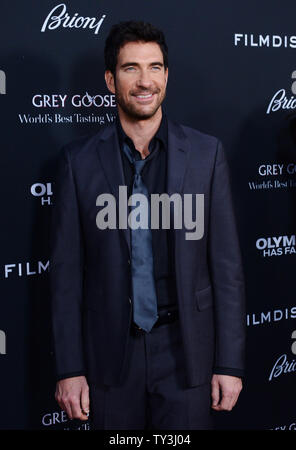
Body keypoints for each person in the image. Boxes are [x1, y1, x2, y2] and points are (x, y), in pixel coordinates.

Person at [50, 20, 246, 430]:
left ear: (167, 76)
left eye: (155, 67)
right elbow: (65, 275)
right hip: (109, 358)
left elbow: (227, 269)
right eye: (130, 68)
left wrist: (229, 362)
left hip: (187, 352)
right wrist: (69, 368)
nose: (145, 81)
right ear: (110, 80)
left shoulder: (206, 155)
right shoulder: (78, 162)